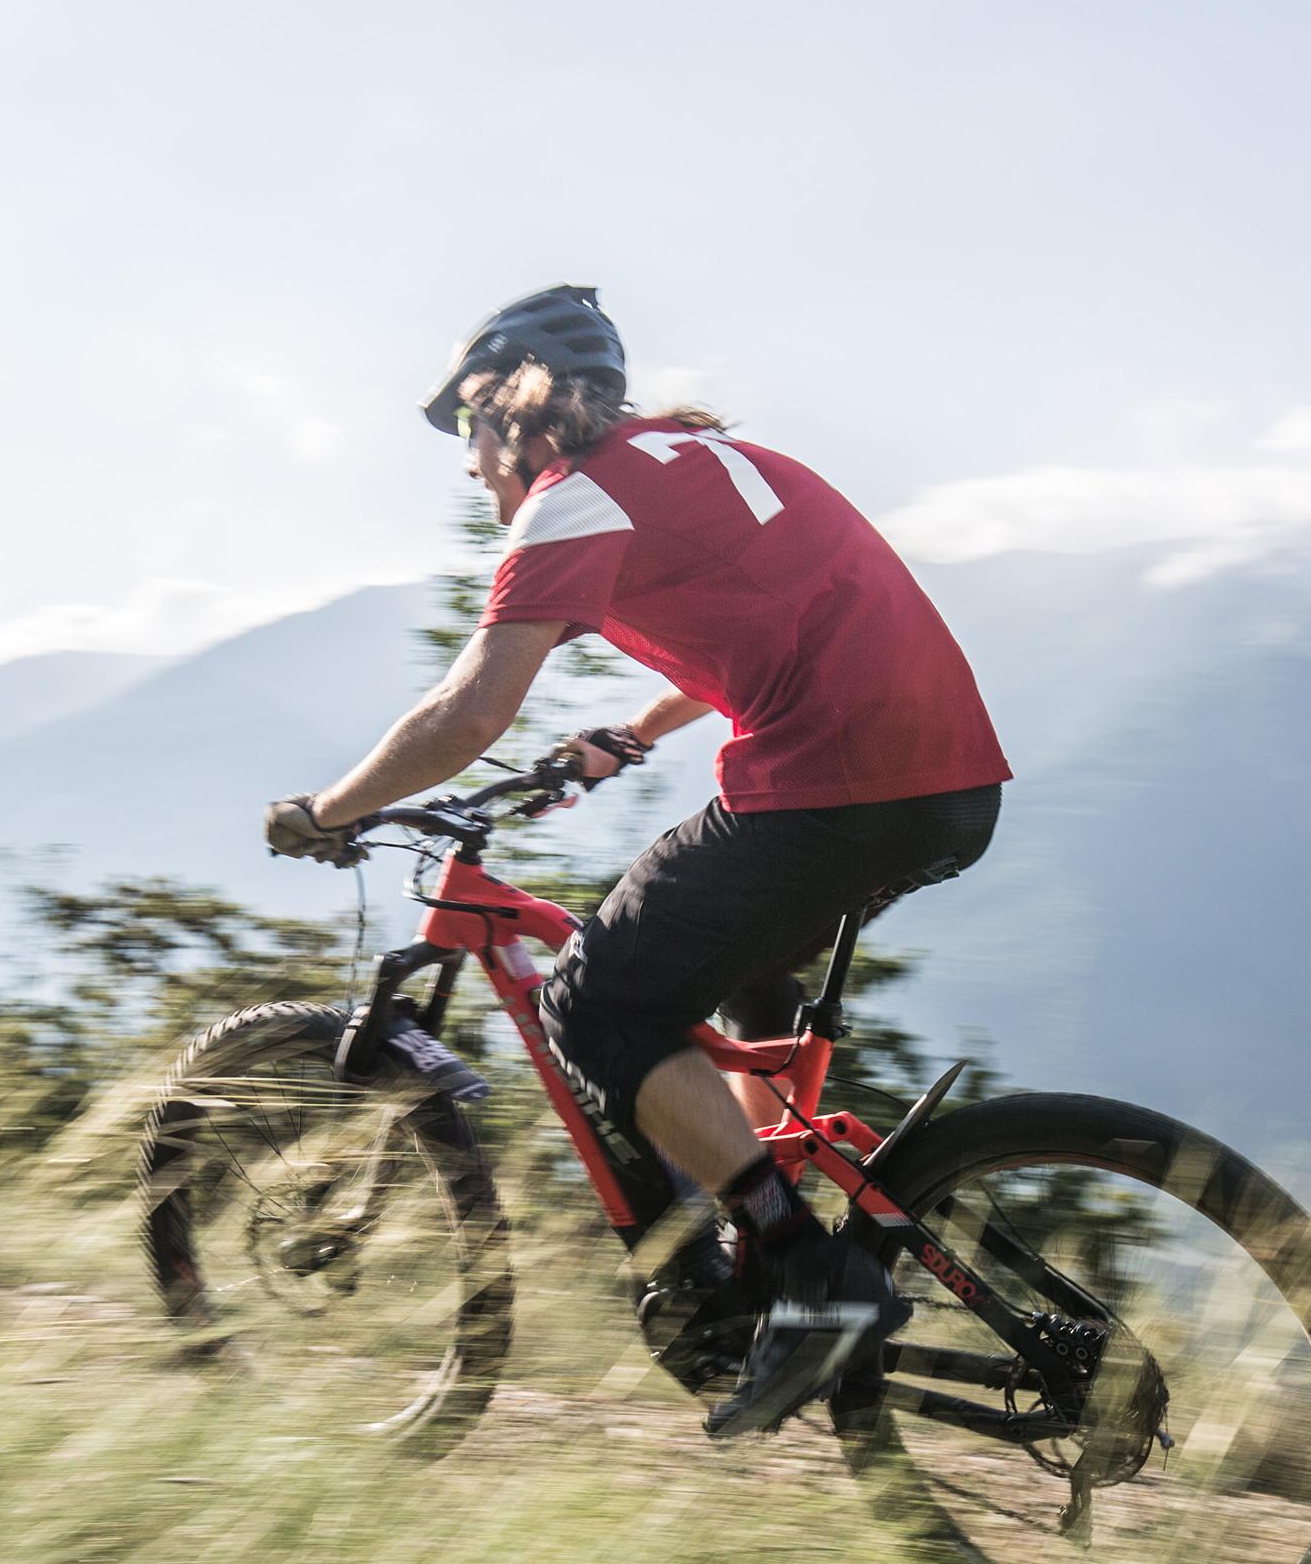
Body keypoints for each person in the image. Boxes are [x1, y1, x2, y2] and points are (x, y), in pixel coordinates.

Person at [262, 285, 1009, 1437]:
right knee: (729, 980)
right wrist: (634, 735)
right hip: (946, 785)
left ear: (506, 411)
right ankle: (761, 1245)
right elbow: (761, 622)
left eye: (468, 436)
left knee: (594, 1000)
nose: (470, 470)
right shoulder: (703, 458)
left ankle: (810, 1278)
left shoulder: (572, 501)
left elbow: (468, 714)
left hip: (834, 788)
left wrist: (329, 808)